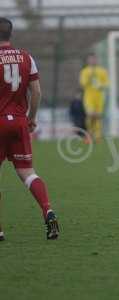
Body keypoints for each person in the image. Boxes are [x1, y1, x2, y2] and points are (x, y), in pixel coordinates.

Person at [0, 17, 59, 239]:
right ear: (10, 34)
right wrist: (31, 118)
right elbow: (37, 92)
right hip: (18, 122)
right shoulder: (26, 57)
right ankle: (48, 211)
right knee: (27, 173)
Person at [79, 53, 109, 142]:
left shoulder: (102, 71)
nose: (92, 61)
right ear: (88, 61)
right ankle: (89, 133)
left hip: (99, 97)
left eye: (94, 59)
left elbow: (107, 83)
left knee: (97, 116)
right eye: (91, 59)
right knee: (90, 114)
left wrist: (101, 86)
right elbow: (82, 84)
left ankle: (97, 136)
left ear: (97, 60)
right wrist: (89, 76)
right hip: (88, 97)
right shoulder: (85, 71)